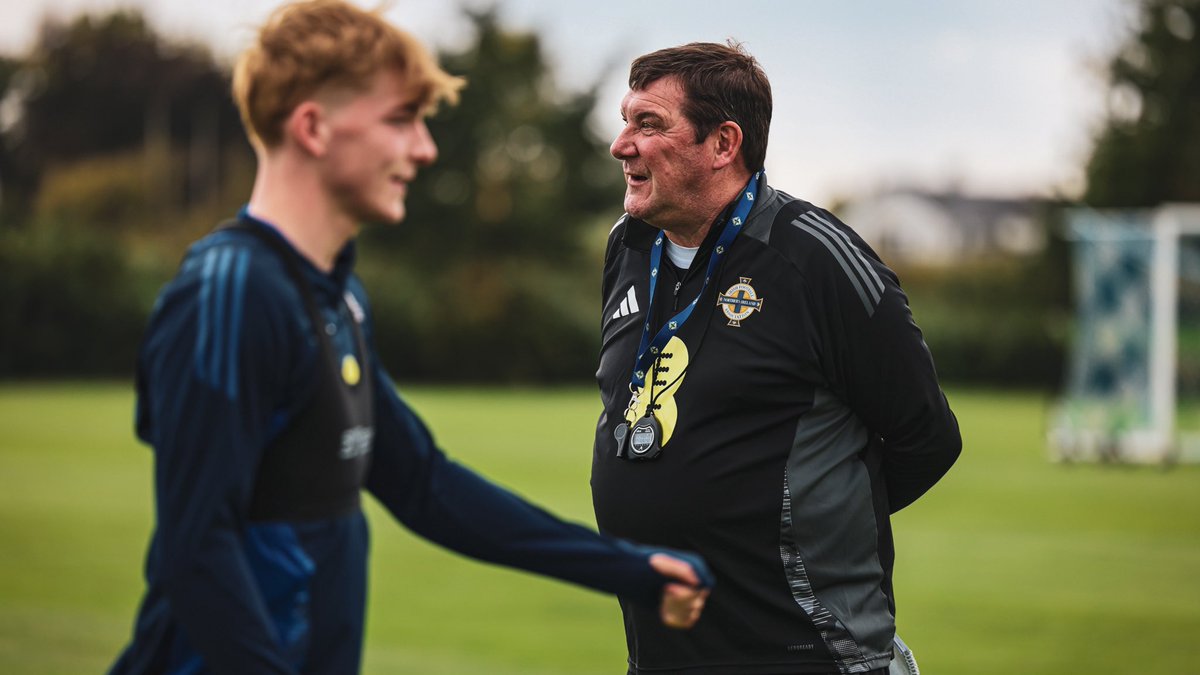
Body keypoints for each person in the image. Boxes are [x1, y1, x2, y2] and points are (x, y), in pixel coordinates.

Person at [107, 2, 712, 673]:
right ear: (313, 127)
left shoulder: (335, 297)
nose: (424, 148)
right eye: (401, 120)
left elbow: (425, 484)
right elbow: (199, 550)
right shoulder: (229, 290)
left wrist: (630, 568)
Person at [591, 41, 962, 675]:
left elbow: (925, 437)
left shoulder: (814, 258)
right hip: (661, 653)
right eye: (625, 120)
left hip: (805, 652)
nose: (621, 143)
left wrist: (786, 530)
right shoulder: (628, 247)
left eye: (648, 123)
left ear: (723, 144)